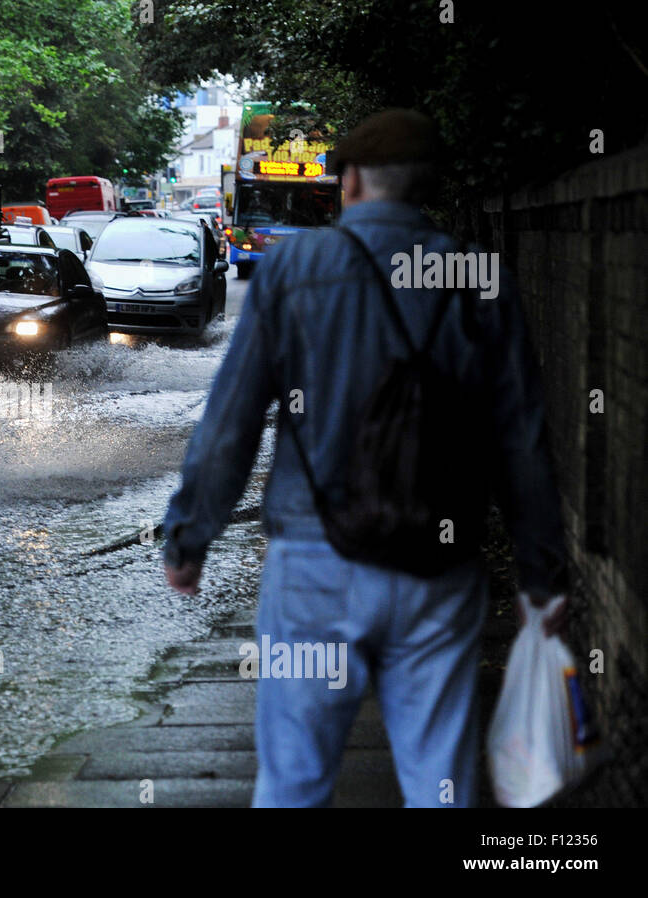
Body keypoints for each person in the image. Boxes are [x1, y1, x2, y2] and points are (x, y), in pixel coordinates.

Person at [160, 108, 569, 807]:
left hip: (314, 569)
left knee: (293, 780)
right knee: (440, 784)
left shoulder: (293, 267)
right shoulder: (477, 276)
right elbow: (520, 435)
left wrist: (190, 535)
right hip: (437, 567)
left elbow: (231, 422)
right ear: (426, 188)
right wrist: (541, 572)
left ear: (347, 182)